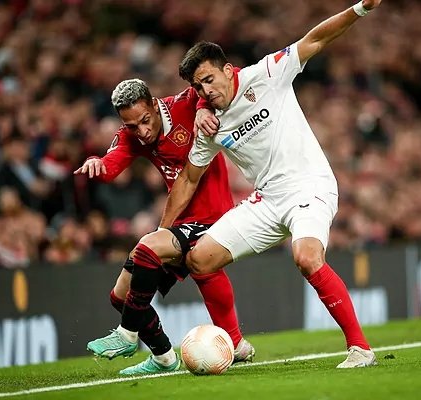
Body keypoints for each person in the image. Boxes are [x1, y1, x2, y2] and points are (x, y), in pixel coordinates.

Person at [160, 0, 382, 368]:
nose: (206, 91)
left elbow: (315, 40)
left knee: (307, 258)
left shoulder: (266, 73)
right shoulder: (209, 126)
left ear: (229, 71)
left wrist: (359, 9)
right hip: (267, 200)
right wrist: (163, 232)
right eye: (199, 87)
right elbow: (188, 179)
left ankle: (360, 348)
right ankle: (234, 344)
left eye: (210, 79)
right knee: (199, 259)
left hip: (309, 186)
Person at [76, 78, 254, 375]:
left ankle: (127, 333)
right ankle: (164, 357)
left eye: (145, 120)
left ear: (154, 105)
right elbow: (112, 164)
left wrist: (202, 108)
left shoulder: (184, 105)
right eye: (132, 126)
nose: (142, 131)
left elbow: (213, 85)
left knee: (151, 248)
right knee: (120, 296)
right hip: (181, 221)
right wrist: (97, 162)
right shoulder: (131, 135)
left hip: (213, 218)